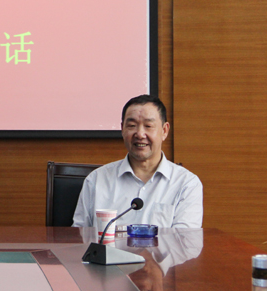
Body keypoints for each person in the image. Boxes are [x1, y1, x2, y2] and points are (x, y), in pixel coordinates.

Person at [72, 95, 202, 228]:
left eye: (148, 126)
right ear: (122, 129)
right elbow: (79, 236)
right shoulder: (96, 180)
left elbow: (183, 239)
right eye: (132, 125)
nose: (140, 134)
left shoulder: (186, 184)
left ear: (164, 131)